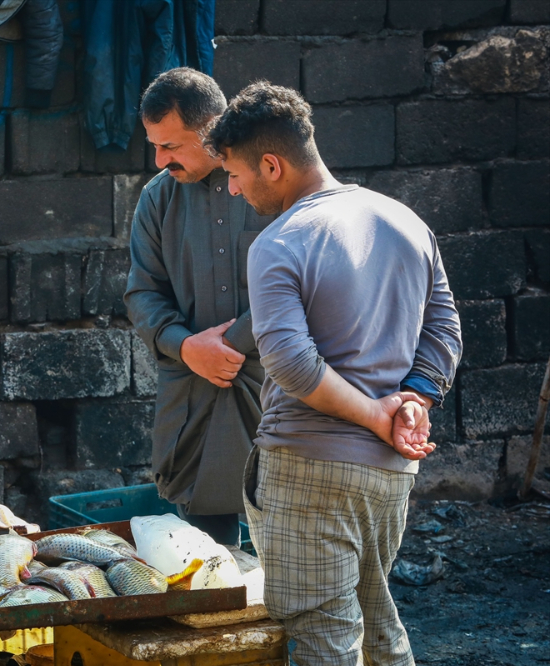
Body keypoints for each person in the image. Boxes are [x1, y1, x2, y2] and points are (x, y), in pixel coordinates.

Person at [209, 81, 461, 665]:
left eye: (236, 173)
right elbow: (444, 333)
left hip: (309, 471)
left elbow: (292, 364)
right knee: (376, 624)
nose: (233, 188)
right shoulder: (407, 223)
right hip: (391, 472)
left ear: (271, 164)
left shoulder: (278, 242)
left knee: (326, 639)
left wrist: (376, 414)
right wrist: (414, 402)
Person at [124, 67, 274, 546]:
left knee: (293, 530)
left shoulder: (271, 186)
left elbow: (306, 287)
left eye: (170, 146)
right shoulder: (157, 198)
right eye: (154, 144)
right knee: (208, 544)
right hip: (192, 386)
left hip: (277, 382)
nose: (159, 159)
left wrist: (229, 345)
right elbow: (143, 293)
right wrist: (187, 347)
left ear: (212, 129)